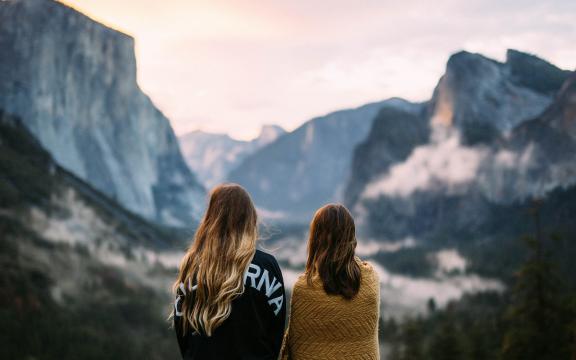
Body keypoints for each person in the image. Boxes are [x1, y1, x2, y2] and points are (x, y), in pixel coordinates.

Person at [172, 184, 286, 360]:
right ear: (250, 219)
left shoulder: (192, 265)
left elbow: (182, 331)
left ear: (210, 218)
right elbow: (276, 331)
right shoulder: (267, 266)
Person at [280, 204, 380, 360]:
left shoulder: (304, 288)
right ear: (352, 238)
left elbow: (296, 348)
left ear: (316, 239)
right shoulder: (370, 280)